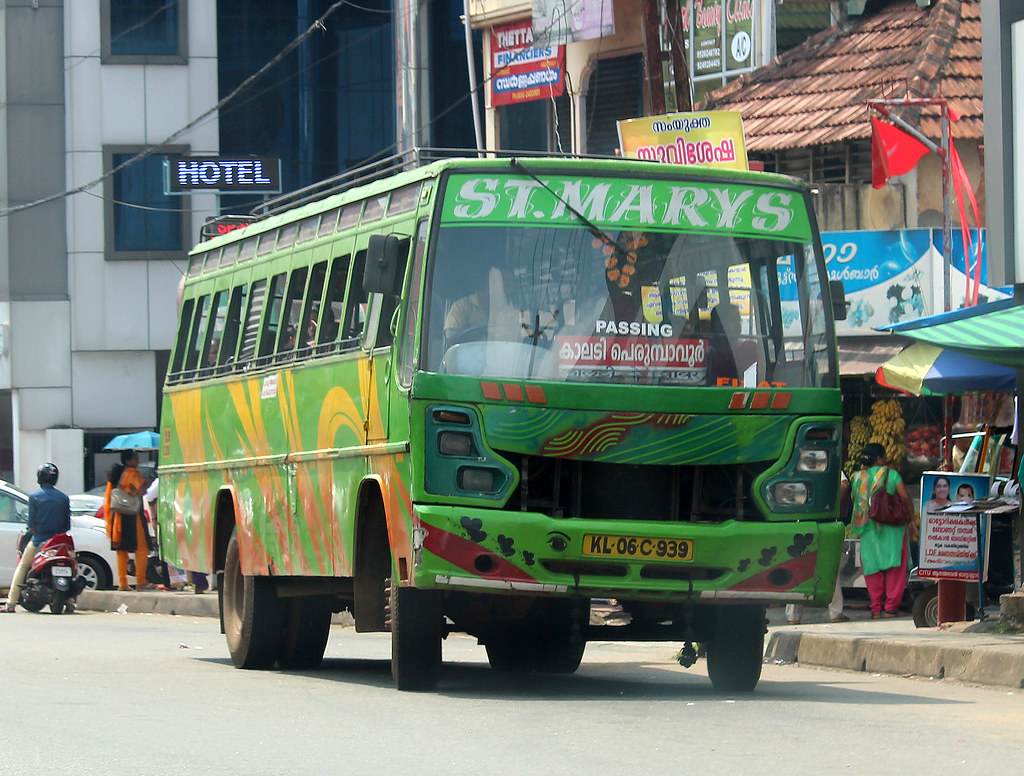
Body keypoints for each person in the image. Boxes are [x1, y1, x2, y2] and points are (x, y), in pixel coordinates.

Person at [851, 443, 914, 618]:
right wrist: (911, 520)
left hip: (868, 529)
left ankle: (876, 609)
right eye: (883, 456)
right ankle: (891, 608)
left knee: (872, 569)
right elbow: (905, 498)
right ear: (879, 458)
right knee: (895, 568)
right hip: (893, 528)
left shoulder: (857, 478)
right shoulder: (891, 475)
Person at [2, 463, 72, 613]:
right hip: (60, 542)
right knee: (71, 567)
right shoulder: (64, 498)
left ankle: (10, 603)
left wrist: (36, 531)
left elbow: (32, 524)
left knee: (22, 567)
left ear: (39, 478)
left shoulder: (34, 496)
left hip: (39, 540)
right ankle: (71, 602)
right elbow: (67, 525)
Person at [786, 470, 849, 624]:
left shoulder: (794, 469)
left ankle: (793, 616)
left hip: (800, 523)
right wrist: (831, 506)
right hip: (824, 522)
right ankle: (835, 613)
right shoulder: (826, 465)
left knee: (799, 567)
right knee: (829, 566)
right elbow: (844, 484)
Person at [104, 449, 153, 591]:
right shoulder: (132, 473)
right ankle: (140, 581)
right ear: (128, 461)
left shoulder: (118, 474)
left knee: (122, 550)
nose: (137, 462)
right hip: (133, 515)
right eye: (135, 459)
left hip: (119, 516)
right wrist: (147, 482)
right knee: (142, 548)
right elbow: (140, 491)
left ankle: (123, 583)